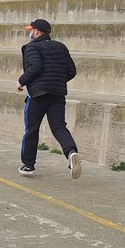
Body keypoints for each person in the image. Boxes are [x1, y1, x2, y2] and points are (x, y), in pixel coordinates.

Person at [17, 18, 81, 179]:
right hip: (58, 93)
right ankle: (71, 152)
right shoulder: (61, 47)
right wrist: (57, 81)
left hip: (38, 94)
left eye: (31, 30)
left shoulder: (32, 47)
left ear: (36, 32)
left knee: (32, 130)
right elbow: (71, 71)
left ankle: (28, 165)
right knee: (59, 127)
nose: (30, 33)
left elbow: (35, 67)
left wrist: (21, 81)